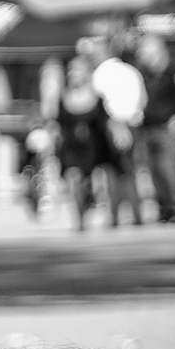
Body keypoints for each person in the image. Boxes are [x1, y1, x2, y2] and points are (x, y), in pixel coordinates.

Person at [53, 56, 117, 232]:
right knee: (73, 178)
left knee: (92, 181)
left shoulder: (96, 98)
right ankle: (79, 217)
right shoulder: (63, 98)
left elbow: (104, 122)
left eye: (77, 70)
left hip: (93, 148)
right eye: (71, 70)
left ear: (87, 73)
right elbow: (58, 123)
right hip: (72, 148)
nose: (73, 74)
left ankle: (95, 202)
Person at [89, 36, 147, 226]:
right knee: (130, 172)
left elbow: (100, 104)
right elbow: (142, 100)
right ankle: (137, 215)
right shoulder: (131, 71)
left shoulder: (101, 74)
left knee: (113, 172)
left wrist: (116, 126)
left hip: (112, 125)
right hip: (132, 124)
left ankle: (114, 216)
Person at [133, 34, 175, 223]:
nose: (142, 55)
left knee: (167, 168)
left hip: (166, 127)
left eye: (145, 51)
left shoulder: (173, 73)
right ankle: (163, 208)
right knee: (153, 170)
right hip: (146, 127)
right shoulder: (142, 75)